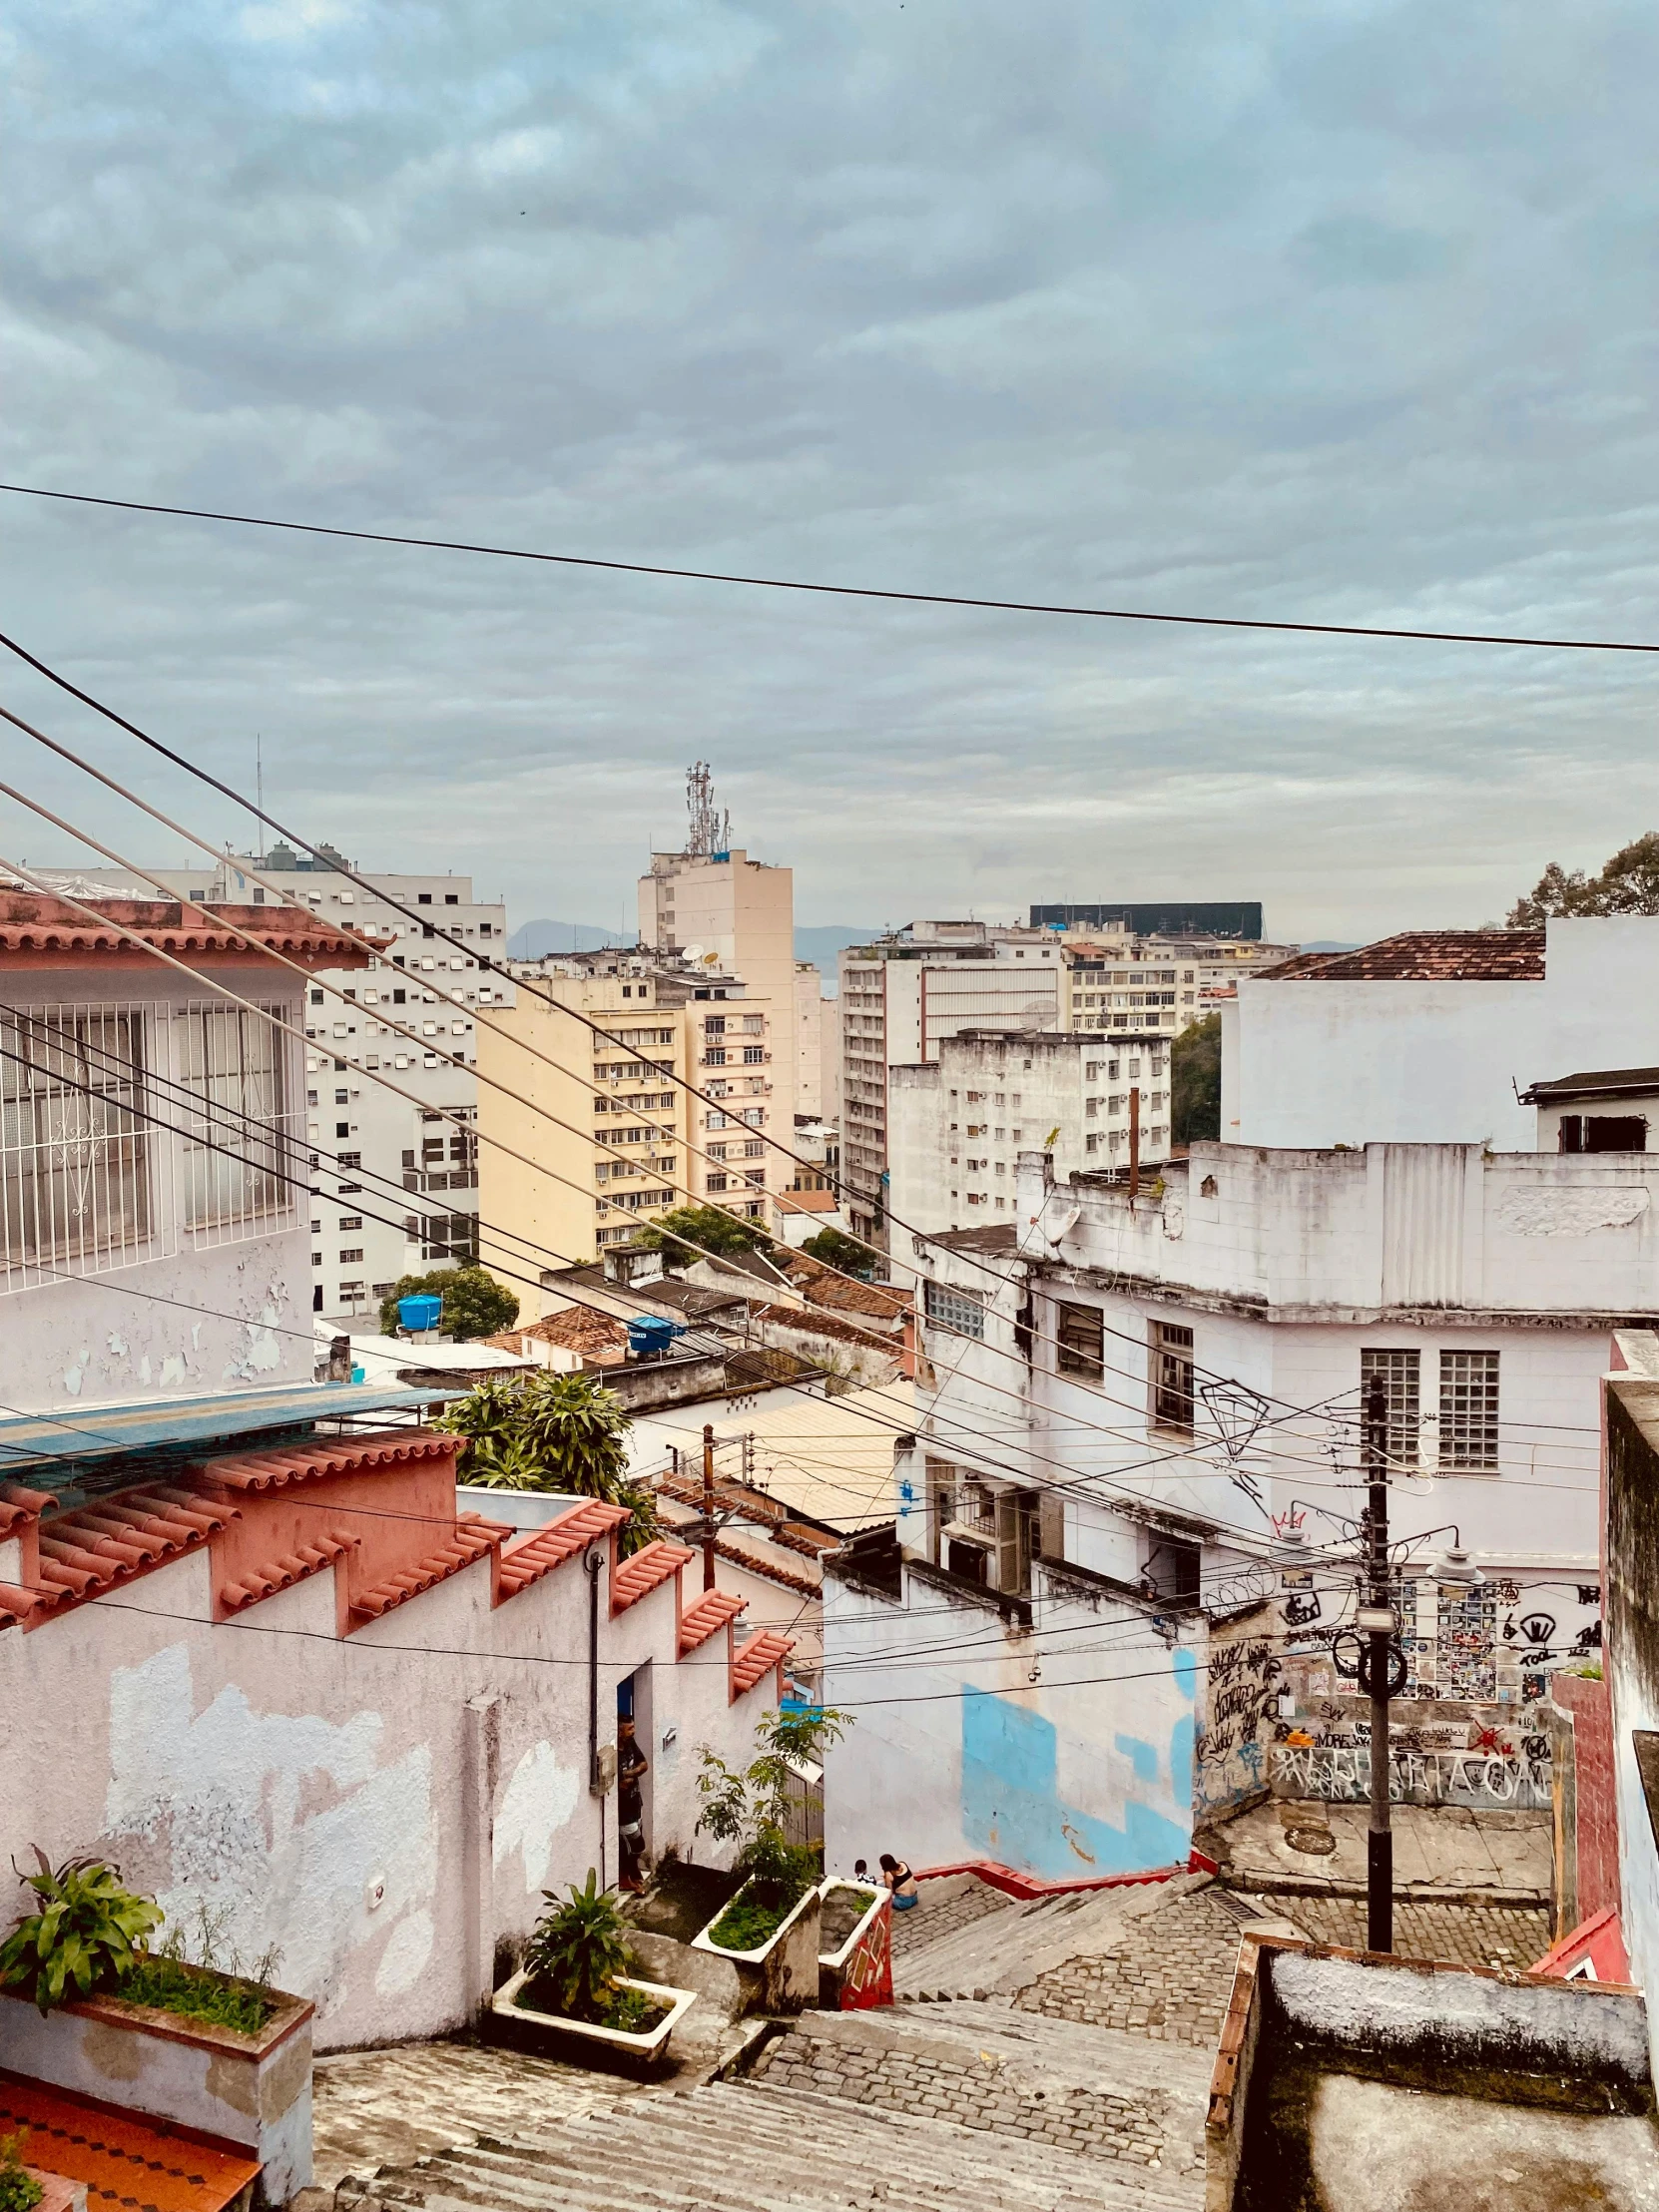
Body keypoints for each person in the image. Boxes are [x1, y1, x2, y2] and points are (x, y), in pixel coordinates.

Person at [617, 1717, 649, 1893]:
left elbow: (644, 1765)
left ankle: (633, 1873)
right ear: (619, 1731)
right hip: (623, 1811)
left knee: (634, 1846)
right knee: (635, 1845)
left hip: (635, 1803)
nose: (633, 1731)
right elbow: (620, 1785)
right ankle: (624, 1879)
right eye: (629, 1728)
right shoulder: (615, 1752)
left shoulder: (630, 1743)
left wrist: (629, 1773)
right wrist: (625, 1779)